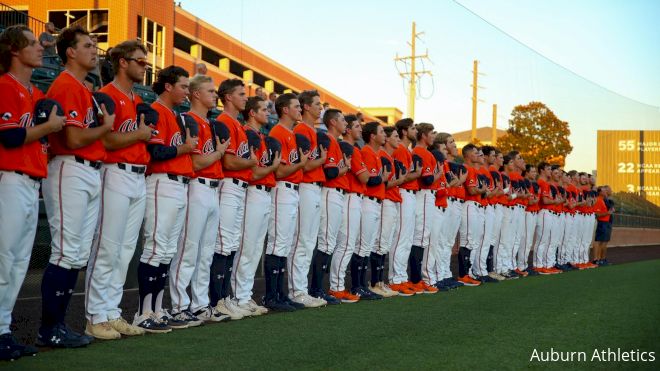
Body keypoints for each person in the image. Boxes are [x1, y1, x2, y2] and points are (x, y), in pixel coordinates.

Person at [39, 25, 114, 348]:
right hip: (69, 168)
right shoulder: (66, 85)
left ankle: (59, 325)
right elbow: (71, 138)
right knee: (66, 251)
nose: (94, 49)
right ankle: (49, 327)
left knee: (76, 253)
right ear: (70, 51)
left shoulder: (81, 87)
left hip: (87, 170)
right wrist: (106, 128)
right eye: (87, 44)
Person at [0, 24, 64, 361]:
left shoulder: (35, 94)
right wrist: (47, 128)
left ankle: (4, 331)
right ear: (14, 50)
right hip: (8, 179)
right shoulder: (5, 86)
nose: (40, 48)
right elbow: (10, 138)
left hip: (31, 181)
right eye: (31, 44)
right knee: (4, 259)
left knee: (18, 263)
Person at [84, 40, 153, 340]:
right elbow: (108, 141)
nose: (145, 67)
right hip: (114, 173)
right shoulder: (106, 95)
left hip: (138, 176)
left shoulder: (136, 99)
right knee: (107, 247)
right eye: (140, 61)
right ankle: (95, 316)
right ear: (123, 62)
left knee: (125, 250)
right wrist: (139, 134)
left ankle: (111, 311)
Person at [133, 65, 196, 333]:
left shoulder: (175, 115)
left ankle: (157, 310)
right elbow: (157, 153)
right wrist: (184, 148)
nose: (186, 91)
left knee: (167, 251)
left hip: (178, 185)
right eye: (183, 86)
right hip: (161, 182)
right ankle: (142, 312)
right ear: (168, 86)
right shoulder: (157, 111)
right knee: (156, 249)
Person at [168, 75, 230, 325]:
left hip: (214, 189)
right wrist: (219, 152)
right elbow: (196, 162)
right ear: (195, 94)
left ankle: (200, 304)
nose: (215, 95)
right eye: (210, 91)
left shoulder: (209, 123)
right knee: (188, 249)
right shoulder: (187, 120)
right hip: (196, 186)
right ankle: (179, 306)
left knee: (205, 252)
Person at [209, 78, 256, 320]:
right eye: (240, 93)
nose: (245, 97)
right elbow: (229, 162)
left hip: (239, 187)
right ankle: (216, 300)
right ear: (228, 97)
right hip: (227, 186)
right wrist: (251, 162)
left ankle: (225, 298)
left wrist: (248, 163)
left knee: (231, 244)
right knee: (223, 243)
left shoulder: (236, 124)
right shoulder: (224, 121)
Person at [231, 96, 279, 313]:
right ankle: (238, 297)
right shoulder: (248, 134)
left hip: (264, 193)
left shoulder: (260, 135)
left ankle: (245, 295)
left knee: (255, 247)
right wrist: (275, 166)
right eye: (263, 109)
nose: (268, 112)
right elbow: (254, 172)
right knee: (247, 247)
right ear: (252, 112)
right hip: (252, 192)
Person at [263, 93, 308, 311]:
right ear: (285, 110)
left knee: (285, 244)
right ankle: (271, 296)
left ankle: (280, 294)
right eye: (296, 106)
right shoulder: (278, 132)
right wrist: (302, 164)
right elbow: (280, 170)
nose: (300, 110)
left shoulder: (289, 133)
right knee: (278, 243)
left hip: (293, 191)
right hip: (282, 189)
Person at [289, 90, 329, 307]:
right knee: (302, 241)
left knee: (308, 241)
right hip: (304, 186)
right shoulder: (302, 130)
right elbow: (303, 165)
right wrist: (322, 160)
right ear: (305, 107)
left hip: (314, 188)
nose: (320, 107)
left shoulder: (311, 130)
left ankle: (301, 289)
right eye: (316, 104)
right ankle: (297, 291)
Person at [311, 108, 351, 301]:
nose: (346, 124)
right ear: (333, 122)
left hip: (337, 195)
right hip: (330, 193)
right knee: (326, 242)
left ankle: (320, 288)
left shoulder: (336, 141)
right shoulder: (328, 139)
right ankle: (316, 288)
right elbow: (331, 173)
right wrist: (344, 168)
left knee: (330, 242)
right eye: (342, 120)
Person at [328, 115, 367, 303]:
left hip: (350, 197)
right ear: (348, 129)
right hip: (350, 197)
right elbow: (365, 178)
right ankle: (336, 287)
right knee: (345, 244)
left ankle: (338, 286)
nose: (360, 129)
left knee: (346, 244)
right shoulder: (347, 147)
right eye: (356, 126)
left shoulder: (352, 147)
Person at [352, 121, 388, 300]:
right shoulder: (366, 151)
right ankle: (356, 286)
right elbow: (370, 180)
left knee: (367, 246)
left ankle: (362, 285)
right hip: (367, 201)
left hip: (375, 202)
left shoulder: (375, 154)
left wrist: (381, 178)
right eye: (382, 131)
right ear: (373, 136)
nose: (385, 134)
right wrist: (383, 178)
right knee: (362, 245)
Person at [388, 119, 422, 295]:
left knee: (406, 238)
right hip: (403, 192)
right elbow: (402, 176)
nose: (415, 131)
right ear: (403, 131)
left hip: (409, 195)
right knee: (401, 237)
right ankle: (396, 279)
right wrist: (416, 174)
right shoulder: (400, 149)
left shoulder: (405, 150)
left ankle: (401, 277)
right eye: (412, 128)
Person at [370, 126, 404, 297]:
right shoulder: (382, 156)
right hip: (386, 201)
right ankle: (375, 283)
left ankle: (380, 282)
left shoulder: (388, 157)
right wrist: (400, 181)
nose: (398, 139)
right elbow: (382, 183)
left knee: (385, 244)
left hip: (392, 200)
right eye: (395, 136)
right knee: (380, 243)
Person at [409, 123, 441, 293]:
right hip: (423, 194)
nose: (433, 136)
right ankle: (415, 279)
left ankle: (417, 278)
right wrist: (439, 174)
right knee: (420, 236)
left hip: (427, 196)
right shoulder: (421, 152)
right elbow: (427, 179)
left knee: (423, 237)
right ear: (423, 135)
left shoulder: (425, 152)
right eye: (431, 133)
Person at [457, 144, 485, 286]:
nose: (477, 155)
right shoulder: (467, 168)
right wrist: (483, 189)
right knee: (467, 240)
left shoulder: (473, 169)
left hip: (474, 206)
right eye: (475, 153)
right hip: (468, 205)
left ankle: (469, 273)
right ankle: (463, 274)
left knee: (472, 240)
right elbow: (472, 190)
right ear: (468, 155)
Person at [592, 186, 614, 265]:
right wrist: (607, 213)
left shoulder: (604, 200)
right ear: (600, 192)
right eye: (604, 191)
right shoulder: (598, 200)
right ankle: (596, 259)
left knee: (604, 241)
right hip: (602, 223)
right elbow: (597, 214)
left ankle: (601, 259)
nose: (606, 192)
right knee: (599, 241)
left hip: (606, 222)